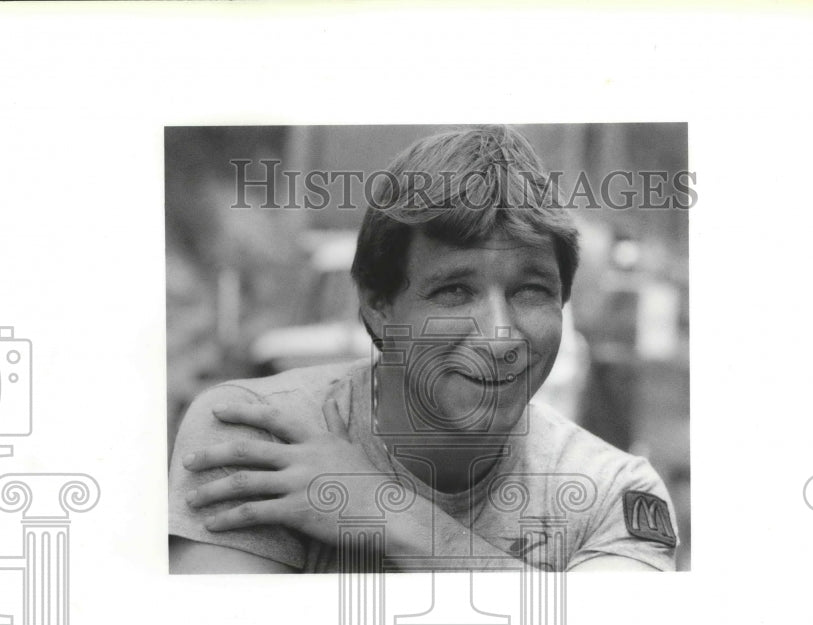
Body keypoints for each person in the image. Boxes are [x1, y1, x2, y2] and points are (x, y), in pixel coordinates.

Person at [168, 125, 679, 574]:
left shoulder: (613, 489)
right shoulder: (260, 434)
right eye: (454, 291)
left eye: (531, 291)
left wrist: (391, 514)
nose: (501, 336)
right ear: (378, 307)